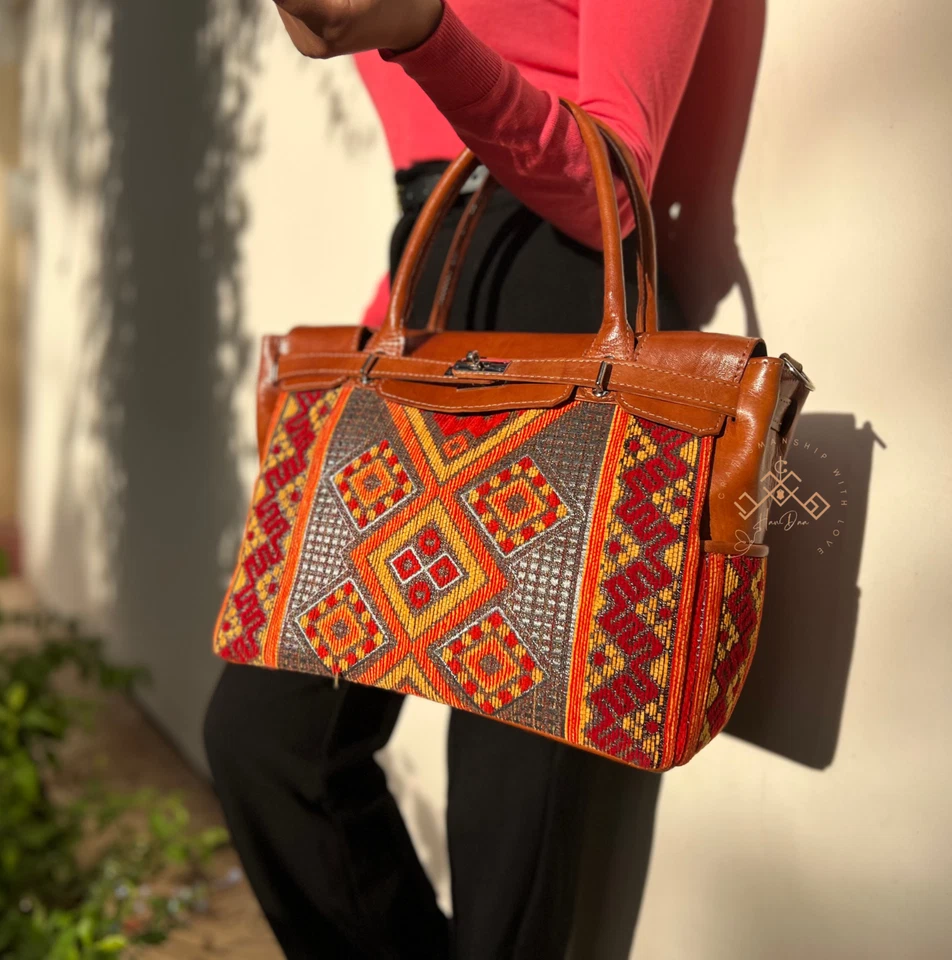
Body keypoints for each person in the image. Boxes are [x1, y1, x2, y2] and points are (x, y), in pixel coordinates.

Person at [203, 2, 711, 957]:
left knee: (509, 818)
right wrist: (358, 374)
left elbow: (615, 173)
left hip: (567, 316)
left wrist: (421, 28)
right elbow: (433, 191)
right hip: (430, 301)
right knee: (263, 738)